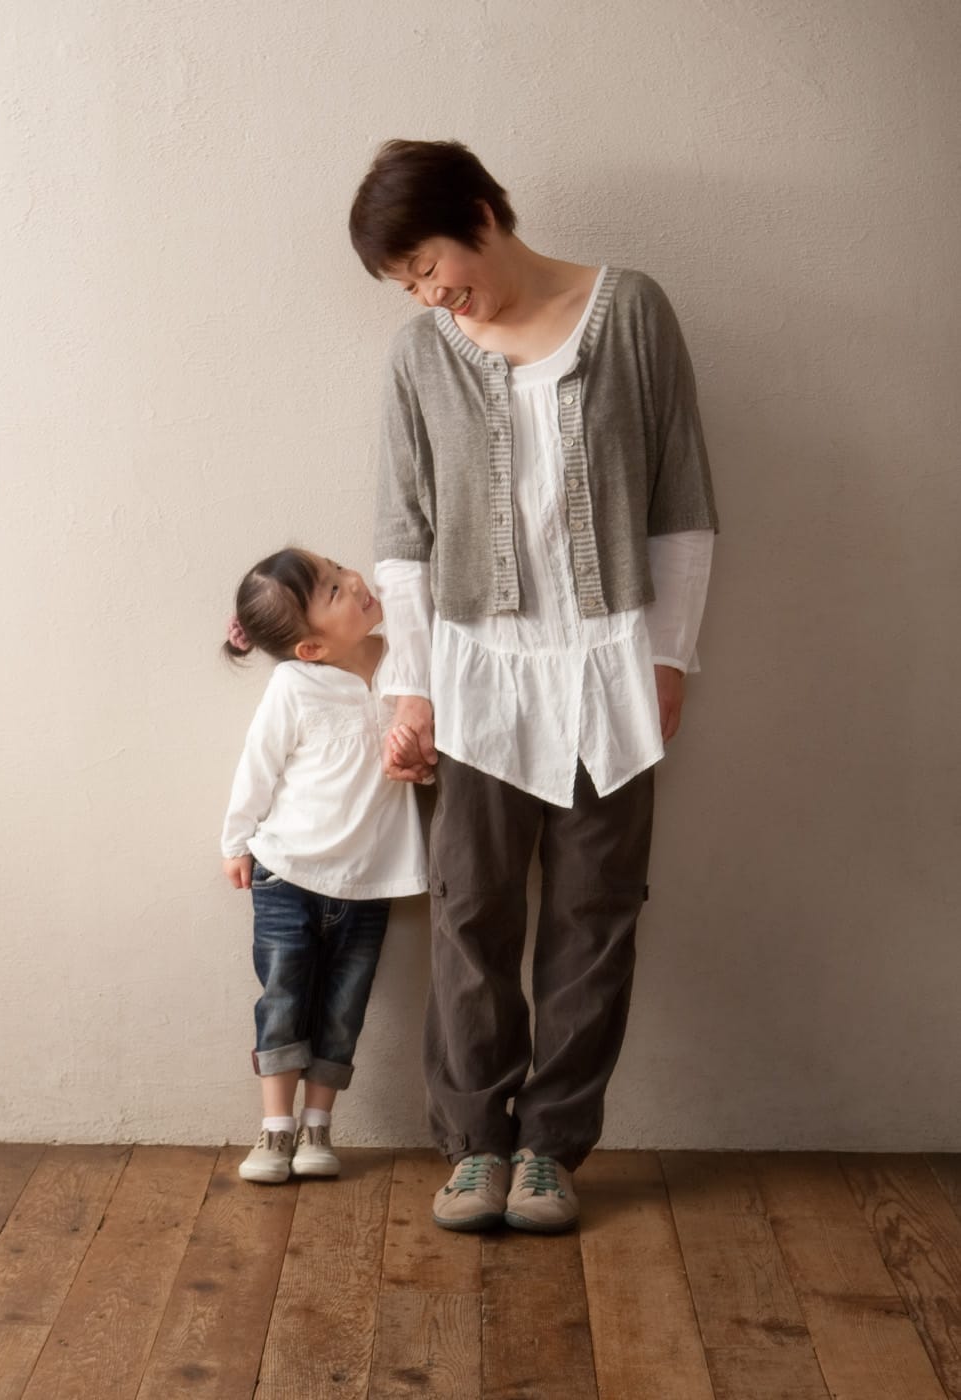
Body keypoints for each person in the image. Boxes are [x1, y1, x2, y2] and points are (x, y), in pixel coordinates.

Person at [349, 140, 719, 1233]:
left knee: (594, 913)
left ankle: (551, 1147)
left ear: (478, 210)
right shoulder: (418, 356)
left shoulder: (631, 311)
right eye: (408, 282)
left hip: (607, 655)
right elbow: (402, 537)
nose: (428, 291)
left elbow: (681, 497)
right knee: (471, 909)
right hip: (472, 667)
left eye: (427, 263)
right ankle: (474, 1144)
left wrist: (668, 657)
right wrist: (407, 689)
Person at [221, 547, 428, 1184]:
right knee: (283, 997)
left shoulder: (406, 662)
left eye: (341, 570)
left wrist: (422, 755)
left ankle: (318, 1126)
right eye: (335, 590)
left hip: (369, 880)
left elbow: (431, 750)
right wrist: (236, 841)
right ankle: (276, 1129)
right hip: (286, 871)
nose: (357, 581)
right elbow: (261, 764)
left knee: (345, 1005)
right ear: (310, 648)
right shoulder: (295, 685)